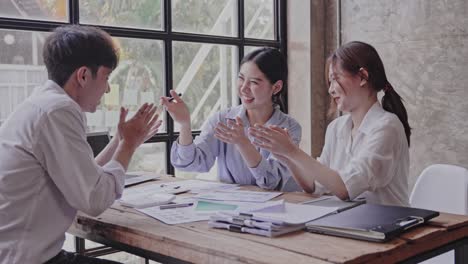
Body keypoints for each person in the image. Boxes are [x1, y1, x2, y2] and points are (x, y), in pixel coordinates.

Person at [0, 25, 161, 264]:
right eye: (106, 77)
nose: (107, 88)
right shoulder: (58, 112)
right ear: (83, 75)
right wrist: (127, 145)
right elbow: (94, 199)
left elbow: (83, 177)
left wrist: (120, 140)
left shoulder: (43, 103)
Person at [249, 41, 411, 206]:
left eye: (335, 79)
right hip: (349, 222)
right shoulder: (337, 127)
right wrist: (287, 155)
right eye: (330, 82)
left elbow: (345, 189)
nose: (330, 89)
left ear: (363, 77)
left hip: (389, 226)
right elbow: (314, 185)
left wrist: (292, 150)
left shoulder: (387, 127)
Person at [161, 47, 301, 191]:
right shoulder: (223, 119)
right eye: (241, 78)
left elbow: (271, 181)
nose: (244, 88)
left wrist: (243, 143)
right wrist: (184, 125)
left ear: (276, 87)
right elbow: (191, 163)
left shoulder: (289, 128)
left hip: (276, 208)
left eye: (254, 82)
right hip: (229, 207)